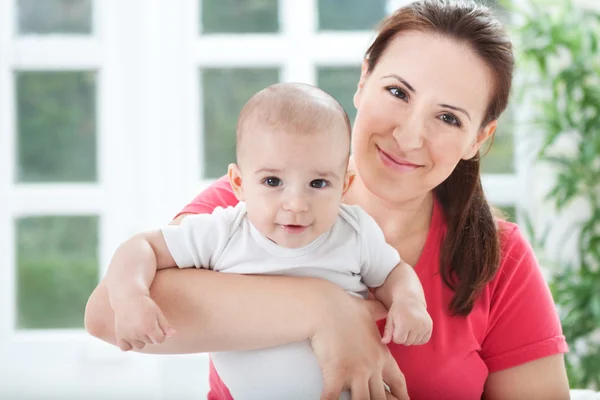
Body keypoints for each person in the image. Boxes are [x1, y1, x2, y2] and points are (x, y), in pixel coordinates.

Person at [85, 0, 571, 399]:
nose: (409, 136)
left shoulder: (497, 258)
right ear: (363, 81)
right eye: (398, 92)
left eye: (448, 118)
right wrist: (326, 310)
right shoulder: (254, 205)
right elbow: (108, 314)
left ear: (478, 139)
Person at [102, 82, 432, 399]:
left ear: (344, 185)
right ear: (238, 183)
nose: (296, 203)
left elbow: (394, 273)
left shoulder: (354, 231)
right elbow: (140, 247)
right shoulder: (224, 232)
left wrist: (409, 302)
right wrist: (130, 296)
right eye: (273, 181)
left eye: (318, 183)